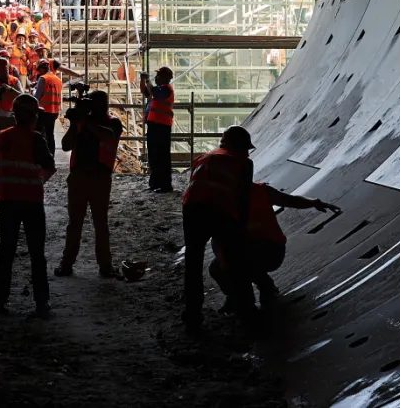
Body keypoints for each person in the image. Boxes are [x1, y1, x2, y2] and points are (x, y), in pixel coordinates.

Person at [0, 94, 56, 316]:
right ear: (34, 117)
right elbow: (50, 167)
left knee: (6, 250)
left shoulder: (2, 137)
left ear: (14, 115)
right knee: (36, 253)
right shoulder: (35, 140)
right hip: (32, 201)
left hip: (7, 201)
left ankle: (0, 301)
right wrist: (37, 178)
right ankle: (41, 303)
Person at [213, 181, 340, 310]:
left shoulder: (260, 191)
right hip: (248, 249)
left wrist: (314, 202)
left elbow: (290, 200)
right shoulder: (224, 202)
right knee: (217, 267)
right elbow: (217, 237)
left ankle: (265, 287)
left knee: (241, 262)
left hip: (271, 249)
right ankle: (235, 296)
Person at [181, 125, 255, 330]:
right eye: (247, 148)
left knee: (193, 262)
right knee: (234, 260)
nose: (248, 152)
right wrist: (242, 228)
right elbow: (243, 198)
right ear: (240, 146)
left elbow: (193, 187)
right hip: (218, 210)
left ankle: (192, 314)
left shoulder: (203, 157)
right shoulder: (244, 163)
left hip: (192, 209)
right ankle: (246, 312)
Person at [55, 88, 123, 279]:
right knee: (75, 222)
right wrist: (75, 123)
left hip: (100, 176)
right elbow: (66, 145)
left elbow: (108, 135)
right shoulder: (83, 122)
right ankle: (67, 263)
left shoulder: (113, 122)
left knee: (100, 223)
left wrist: (85, 120)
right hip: (79, 175)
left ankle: (105, 264)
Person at [141, 67, 176, 193]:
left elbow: (154, 92)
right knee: (154, 156)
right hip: (155, 126)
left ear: (166, 77)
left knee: (162, 157)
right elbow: (146, 92)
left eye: (159, 75)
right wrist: (143, 80)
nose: (157, 78)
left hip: (162, 127)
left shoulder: (166, 89)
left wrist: (148, 80)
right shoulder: (160, 90)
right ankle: (155, 183)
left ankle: (165, 185)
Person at [30, 58, 63, 153]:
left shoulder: (43, 78)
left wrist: (33, 91)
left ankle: (40, 154)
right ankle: (51, 156)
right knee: (50, 135)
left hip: (43, 111)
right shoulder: (58, 80)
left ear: (41, 69)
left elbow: (37, 97)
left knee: (39, 134)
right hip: (54, 111)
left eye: (39, 70)